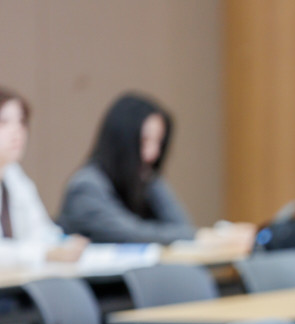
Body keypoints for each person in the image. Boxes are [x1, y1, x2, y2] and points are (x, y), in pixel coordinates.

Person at [57, 93, 195, 244]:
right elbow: (133, 235)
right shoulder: (86, 187)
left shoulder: (140, 181)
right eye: (144, 141)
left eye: (159, 143)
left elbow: (184, 228)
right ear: (121, 140)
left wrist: (151, 178)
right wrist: (184, 234)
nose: (153, 154)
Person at [0, 87, 88, 266]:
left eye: (22, 122)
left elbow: (41, 229)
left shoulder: (13, 175)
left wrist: (65, 243)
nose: (17, 131)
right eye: (4, 122)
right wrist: (45, 253)